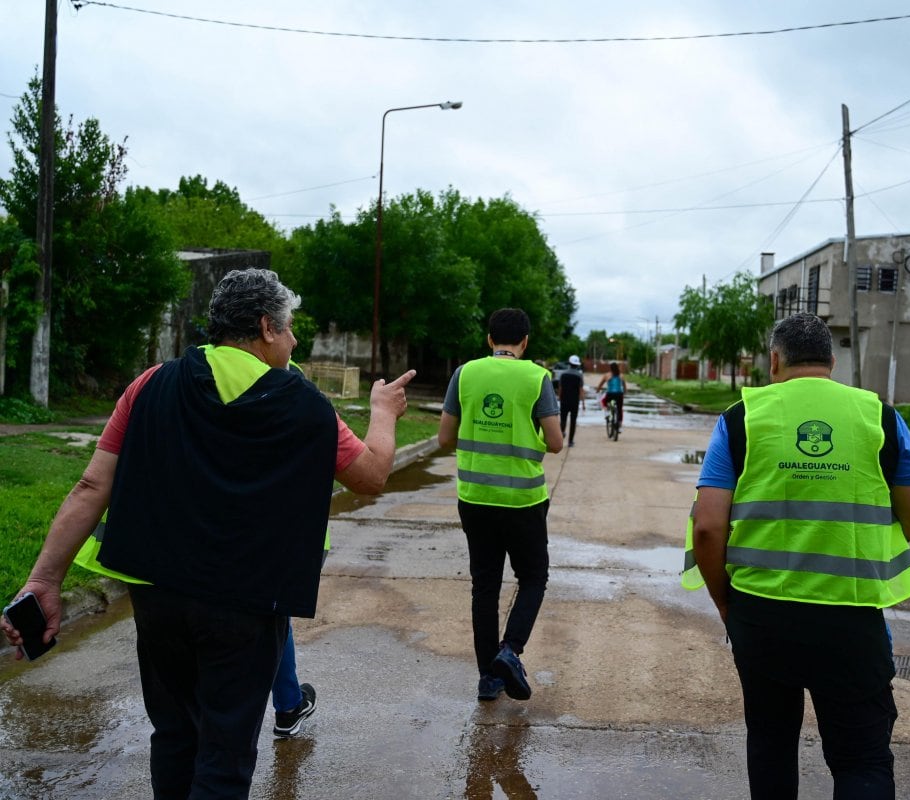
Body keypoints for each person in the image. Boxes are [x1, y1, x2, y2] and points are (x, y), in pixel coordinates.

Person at [3, 268, 415, 799]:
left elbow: (89, 487)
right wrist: (383, 413)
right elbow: (371, 474)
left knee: (174, 736)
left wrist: (44, 581)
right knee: (224, 754)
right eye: (288, 328)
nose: (293, 340)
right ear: (266, 327)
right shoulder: (305, 404)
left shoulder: (149, 384)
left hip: (158, 595)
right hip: (246, 604)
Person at [682, 312, 910, 800]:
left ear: (774, 360)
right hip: (851, 615)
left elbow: (709, 526)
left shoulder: (742, 419)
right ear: (832, 363)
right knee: (862, 758)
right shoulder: (878, 416)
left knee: (772, 742)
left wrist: (726, 604)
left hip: (762, 615)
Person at [438, 308, 564, 703]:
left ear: (489, 339)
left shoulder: (465, 374)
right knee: (532, 577)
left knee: (485, 586)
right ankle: (510, 651)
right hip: (524, 500)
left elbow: (445, 438)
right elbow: (556, 442)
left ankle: (488, 679)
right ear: (525, 342)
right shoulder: (536, 377)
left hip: (475, 499)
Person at [556, 354, 585, 447]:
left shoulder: (563, 374)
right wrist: (583, 402)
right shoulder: (579, 375)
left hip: (564, 400)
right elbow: (581, 390)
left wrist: (559, 398)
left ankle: (562, 434)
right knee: (573, 421)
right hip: (574, 401)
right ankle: (570, 441)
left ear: (569, 363)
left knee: (563, 419)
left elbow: (560, 388)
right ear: (577, 365)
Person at [596, 361, 626, 428]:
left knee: (603, 401)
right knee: (620, 409)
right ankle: (620, 425)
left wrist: (597, 391)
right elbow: (624, 386)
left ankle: (607, 413)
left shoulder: (607, 375)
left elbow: (600, 385)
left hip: (610, 394)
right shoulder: (621, 375)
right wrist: (625, 393)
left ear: (610, 368)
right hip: (619, 394)